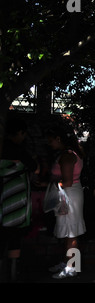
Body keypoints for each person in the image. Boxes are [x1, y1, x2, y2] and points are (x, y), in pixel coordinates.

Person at [0, 116, 38, 282]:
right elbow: (34, 167)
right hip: (16, 202)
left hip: (1, 200)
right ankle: (13, 272)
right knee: (14, 236)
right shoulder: (20, 151)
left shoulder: (2, 148)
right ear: (20, 133)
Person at [46, 125, 85, 279]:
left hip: (69, 196)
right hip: (70, 195)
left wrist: (49, 184)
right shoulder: (72, 153)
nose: (49, 144)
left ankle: (72, 267)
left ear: (58, 139)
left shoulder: (67, 156)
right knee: (70, 232)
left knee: (71, 233)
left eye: (51, 140)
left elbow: (67, 181)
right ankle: (68, 263)